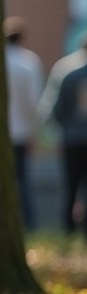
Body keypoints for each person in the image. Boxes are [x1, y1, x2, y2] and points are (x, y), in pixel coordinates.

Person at [3, 16, 44, 231]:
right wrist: (35, 129)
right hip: (21, 132)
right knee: (22, 180)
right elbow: (34, 102)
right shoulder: (29, 62)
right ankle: (28, 225)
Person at [53, 56, 87, 235]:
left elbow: (58, 111)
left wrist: (68, 127)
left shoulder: (70, 77)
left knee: (71, 186)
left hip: (73, 140)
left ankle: (69, 230)